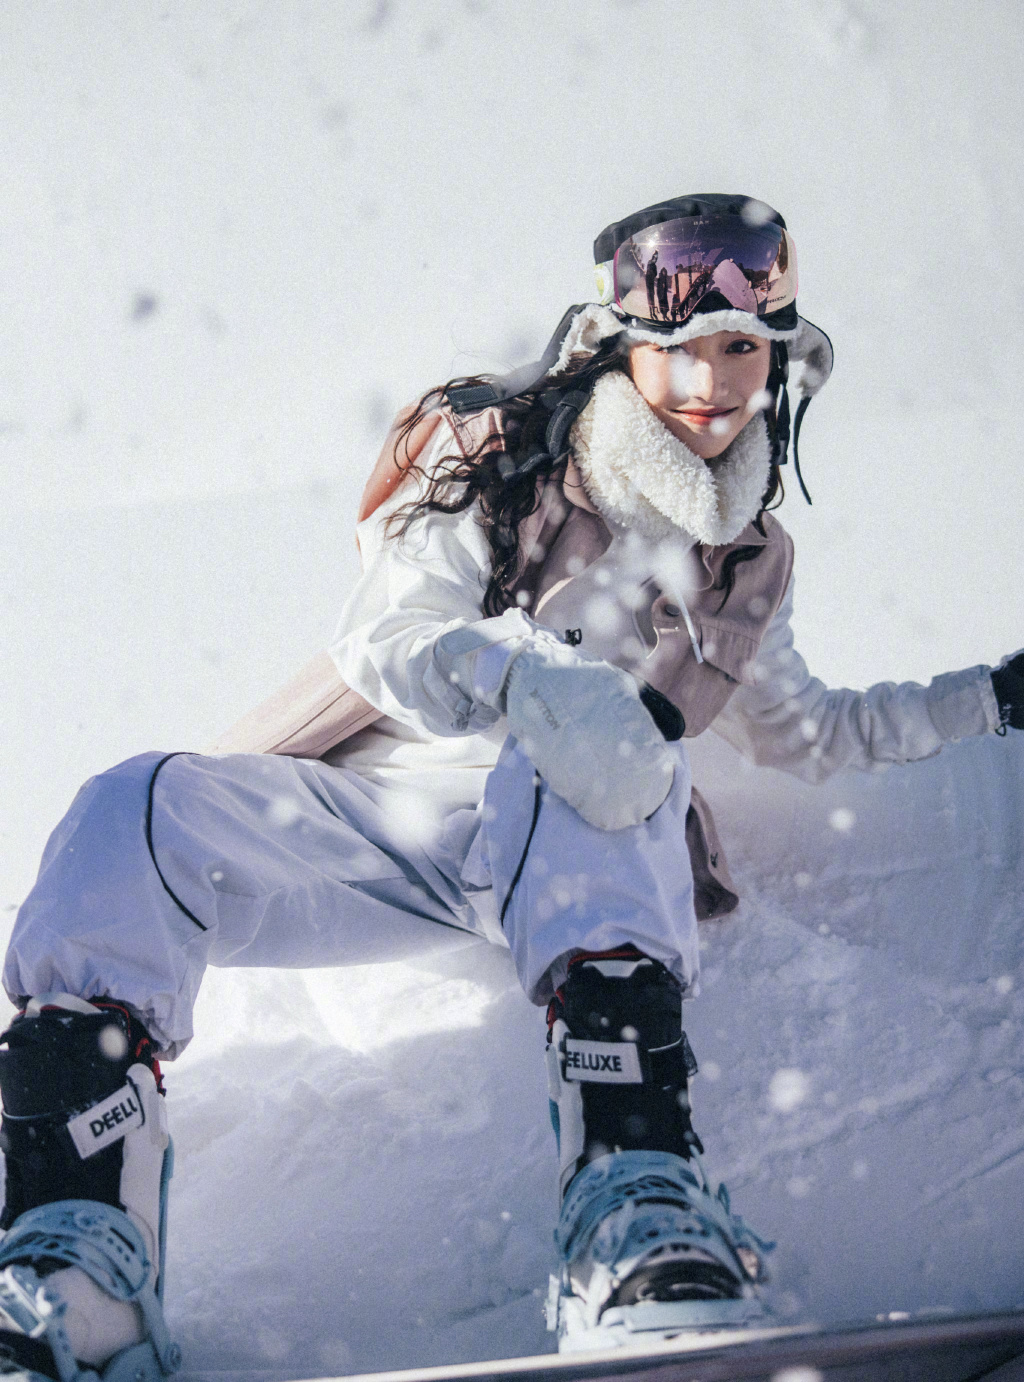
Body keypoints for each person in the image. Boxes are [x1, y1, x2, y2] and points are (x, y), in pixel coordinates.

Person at [1, 193, 1023, 1378]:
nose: (713, 378)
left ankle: (634, 1218)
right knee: (134, 808)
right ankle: (76, 1278)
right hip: (386, 817)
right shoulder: (497, 459)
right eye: (680, 347)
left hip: (580, 861)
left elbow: (807, 731)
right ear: (618, 348)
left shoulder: (745, 553)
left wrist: (983, 700)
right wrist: (522, 680)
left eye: (743, 345)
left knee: (609, 756)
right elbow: (384, 634)